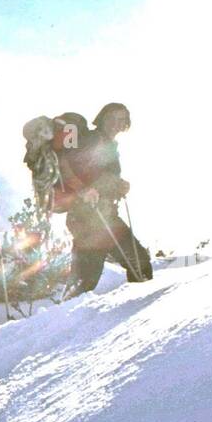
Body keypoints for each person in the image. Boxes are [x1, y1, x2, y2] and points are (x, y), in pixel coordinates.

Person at [60, 102, 153, 297]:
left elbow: (99, 177)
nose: (115, 123)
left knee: (139, 262)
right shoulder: (91, 140)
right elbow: (66, 166)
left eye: (121, 120)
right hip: (87, 218)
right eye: (111, 118)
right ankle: (62, 325)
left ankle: (137, 319)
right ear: (102, 118)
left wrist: (118, 186)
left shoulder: (109, 145)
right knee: (85, 280)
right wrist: (83, 190)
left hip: (105, 216)